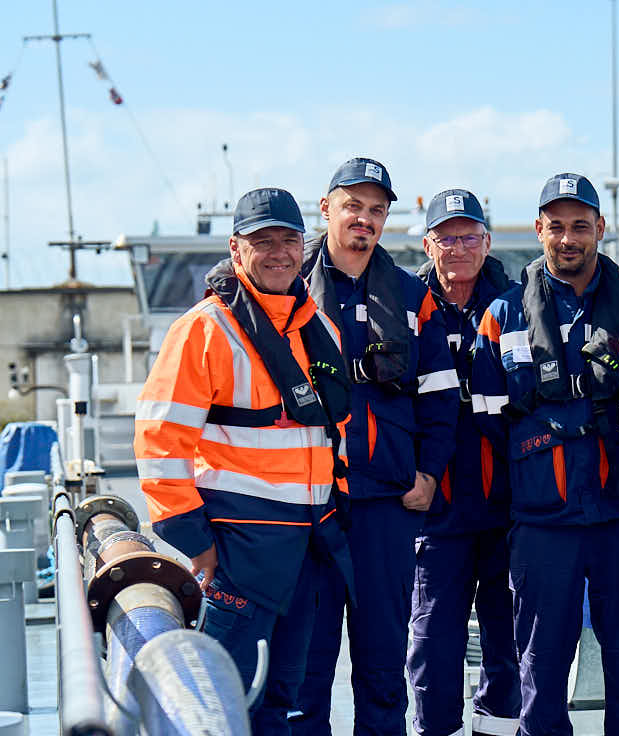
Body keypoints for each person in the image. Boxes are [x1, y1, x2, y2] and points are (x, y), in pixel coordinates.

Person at [410, 189, 619, 736]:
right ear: (539, 229)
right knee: (539, 672)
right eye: (557, 226)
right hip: (541, 521)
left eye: (580, 225)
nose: (568, 238)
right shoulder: (502, 314)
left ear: (600, 227)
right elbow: (493, 419)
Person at [134, 187, 353, 734]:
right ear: (236, 250)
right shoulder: (203, 330)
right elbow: (160, 442)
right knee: (221, 704)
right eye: (262, 241)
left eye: (288, 239)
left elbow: (334, 436)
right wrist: (195, 540)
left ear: (303, 247)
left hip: (307, 549)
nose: (278, 252)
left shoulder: (320, 330)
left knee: (282, 699)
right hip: (238, 552)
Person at [294, 157, 460, 734]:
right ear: (326, 209)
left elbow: (441, 398)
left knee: (383, 669)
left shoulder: (415, 300)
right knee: (304, 673)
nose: (364, 219)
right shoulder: (284, 296)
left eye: (375, 210)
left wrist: (430, 474)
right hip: (311, 508)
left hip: (385, 509)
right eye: (352, 207)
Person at [408, 189, 520, 736]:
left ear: (487, 242)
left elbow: (591, 292)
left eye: (469, 235)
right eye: (446, 237)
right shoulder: (403, 305)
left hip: (508, 510)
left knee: (509, 645)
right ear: (428, 244)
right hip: (437, 514)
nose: (458, 248)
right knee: (433, 644)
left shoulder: (521, 303)